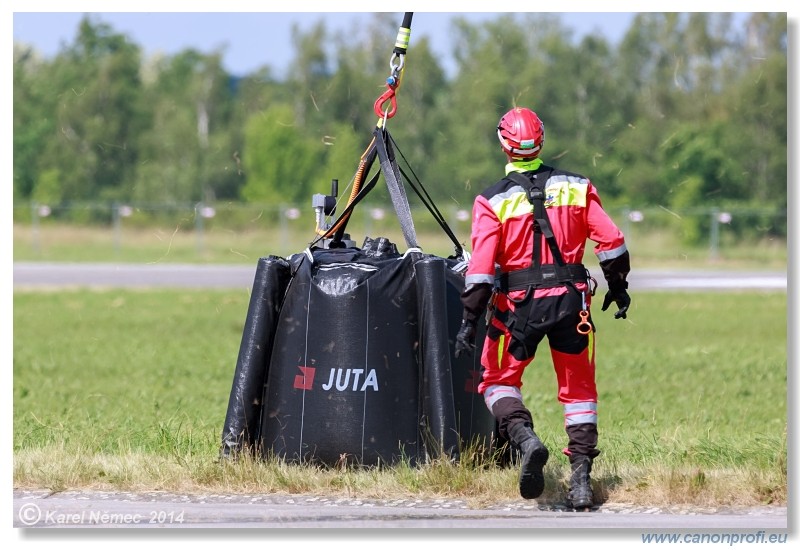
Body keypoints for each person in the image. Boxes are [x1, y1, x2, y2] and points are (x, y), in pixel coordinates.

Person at [454, 106, 631, 510]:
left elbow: (480, 271)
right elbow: (613, 241)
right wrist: (618, 287)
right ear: (542, 140)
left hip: (518, 310)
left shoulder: (491, 199)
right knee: (579, 392)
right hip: (572, 305)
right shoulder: (577, 186)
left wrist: (468, 319)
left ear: (504, 144)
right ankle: (582, 481)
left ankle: (526, 438)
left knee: (496, 380)